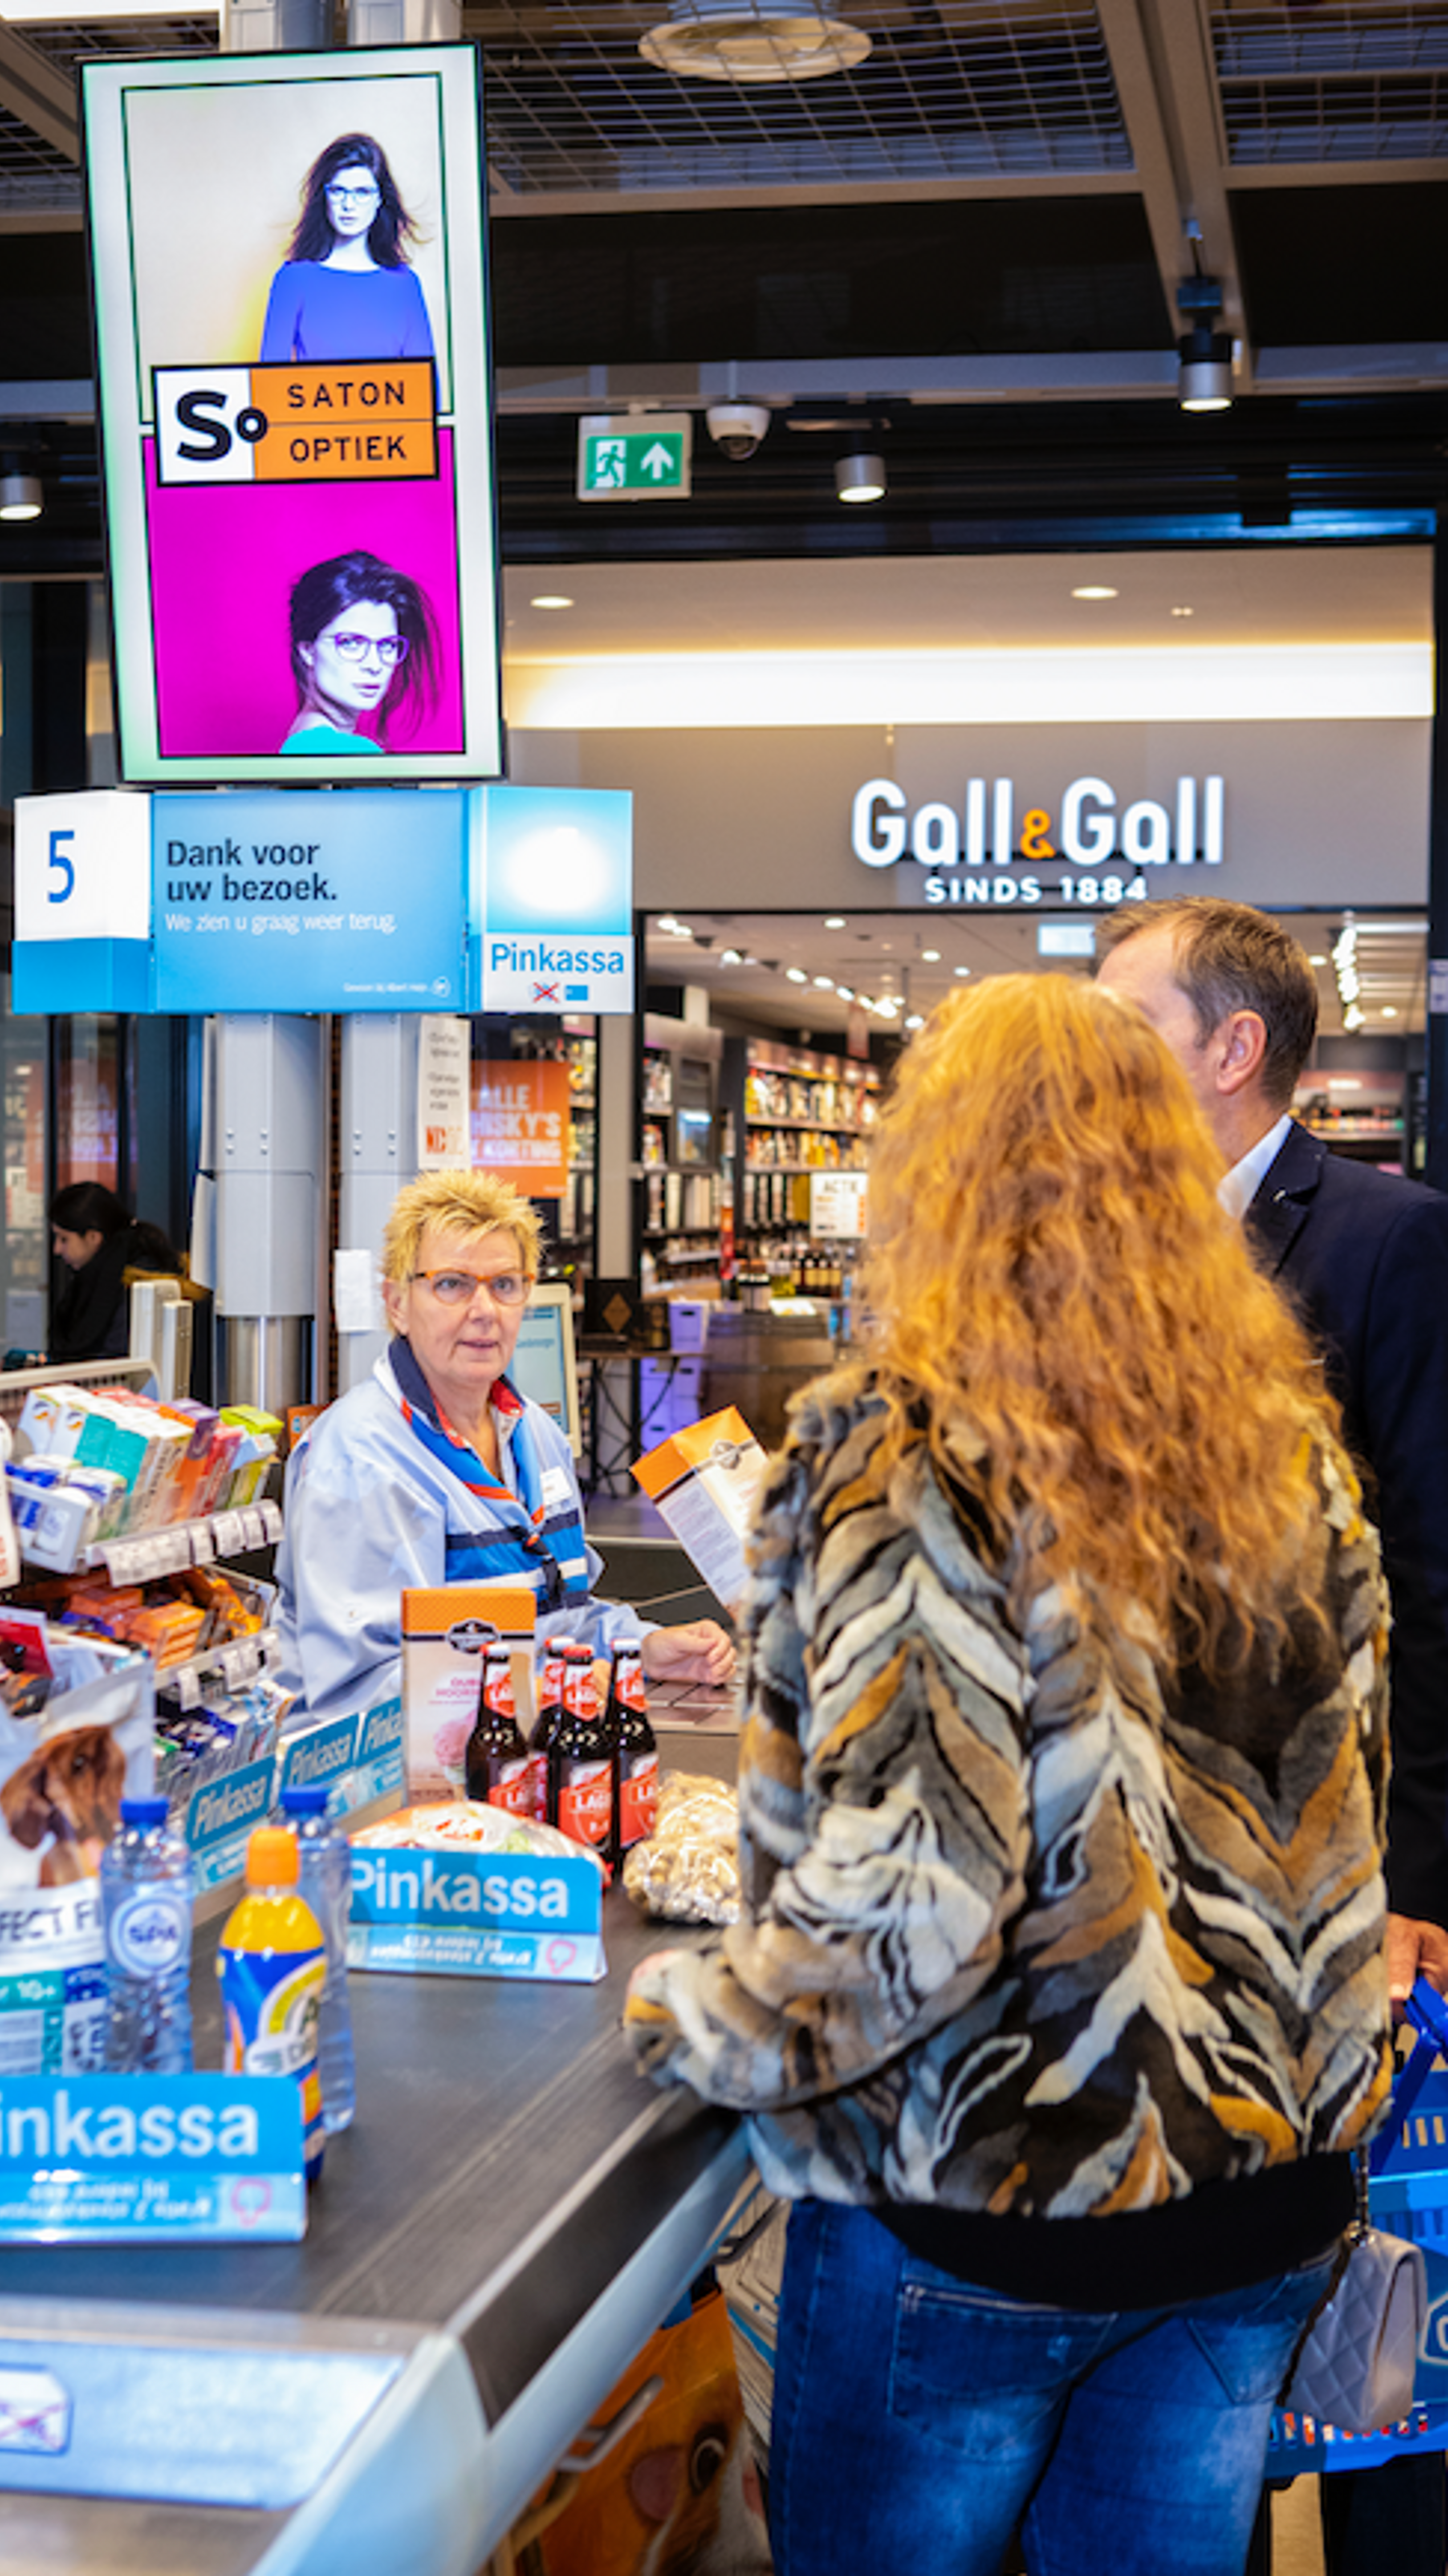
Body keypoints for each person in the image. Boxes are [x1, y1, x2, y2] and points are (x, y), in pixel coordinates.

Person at [623, 975, 1391, 2576]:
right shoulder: (1284, 1449)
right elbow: (1338, 1822)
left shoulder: (906, 1444)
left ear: (938, 1176)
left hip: (990, 2203)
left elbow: (908, 1908)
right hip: (1257, 2199)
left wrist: (695, 2017)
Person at [1098, 895, 1448, 2576]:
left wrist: (1417, 1877)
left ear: (1232, 1049)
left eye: (1130, 1025)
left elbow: (1435, 1579)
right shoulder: (1109, 1243)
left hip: (1343, 1870)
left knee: (1374, 2270)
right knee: (1193, 2308)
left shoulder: (1388, 1242)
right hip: (1156, 1885)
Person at [275, 1168, 734, 1724]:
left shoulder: (534, 1434)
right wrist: (534, 1689)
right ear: (396, 1303)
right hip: (385, 1774)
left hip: (514, 1752)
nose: (485, 1310)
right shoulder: (360, 1458)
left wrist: (641, 1649)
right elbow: (360, 1690)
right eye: (452, 1284)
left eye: (505, 1285)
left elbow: (561, 1619)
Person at [260, 132, 435, 369]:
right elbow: (270, 379)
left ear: (380, 199)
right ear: (324, 196)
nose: (349, 205)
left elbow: (424, 382)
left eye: (362, 192)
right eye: (338, 191)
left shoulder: (405, 284)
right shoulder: (293, 280)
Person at [280, 552, 439, 756]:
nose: (374, 665)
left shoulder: (300, 744)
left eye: (387, 645)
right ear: (308, 651)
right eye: (351, 643)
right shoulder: (347, 751)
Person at [49, 1182, 180, 1367]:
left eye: (64, 1239)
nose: (57, 1249)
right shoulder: (99, 1275)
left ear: (93, 1237)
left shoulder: (135, 1280)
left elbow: (115, 1360)